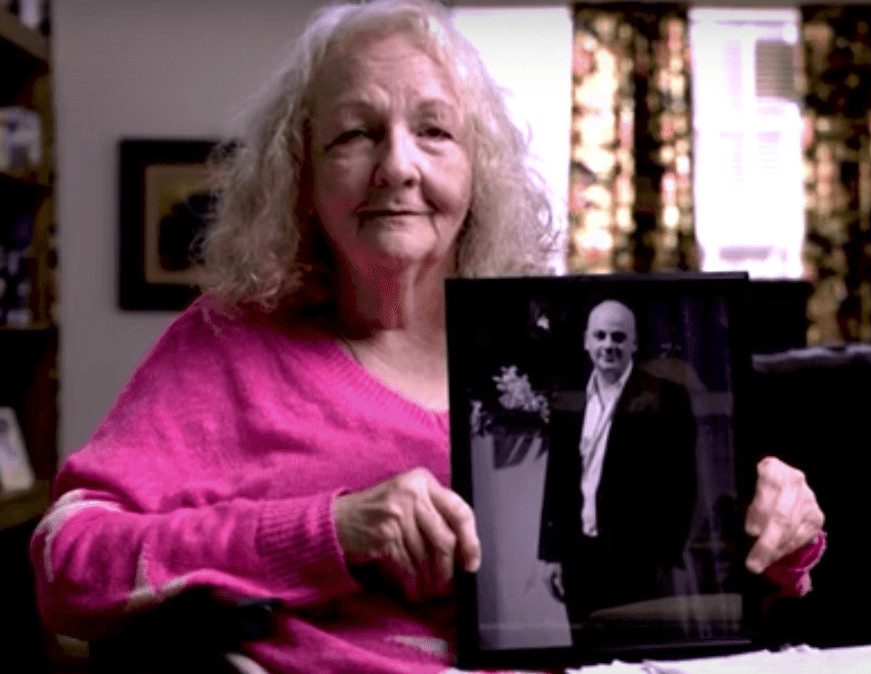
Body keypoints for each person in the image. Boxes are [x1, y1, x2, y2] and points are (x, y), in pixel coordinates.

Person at [30, 2, 825, 673]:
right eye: (354, 135)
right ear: (299, 173)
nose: (397, 167)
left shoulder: (556, 349)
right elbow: (69, 565)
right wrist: (328, 530)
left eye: (435, 133)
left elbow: (660, 561)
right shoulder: (227, 345)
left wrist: (771, 529)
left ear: (478, 170)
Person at [538, 299, 700, 643]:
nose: (609, 346)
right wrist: (551, 555)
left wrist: (664, 557)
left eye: (618, 337)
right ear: (586, 341)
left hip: (638, 563)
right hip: (578, 559)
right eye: (600, 336)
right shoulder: (568, 399)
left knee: (639, 657)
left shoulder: (666, 397)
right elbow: (556, 482)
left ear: (634, 343)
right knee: (586, 657)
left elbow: (683, 485)